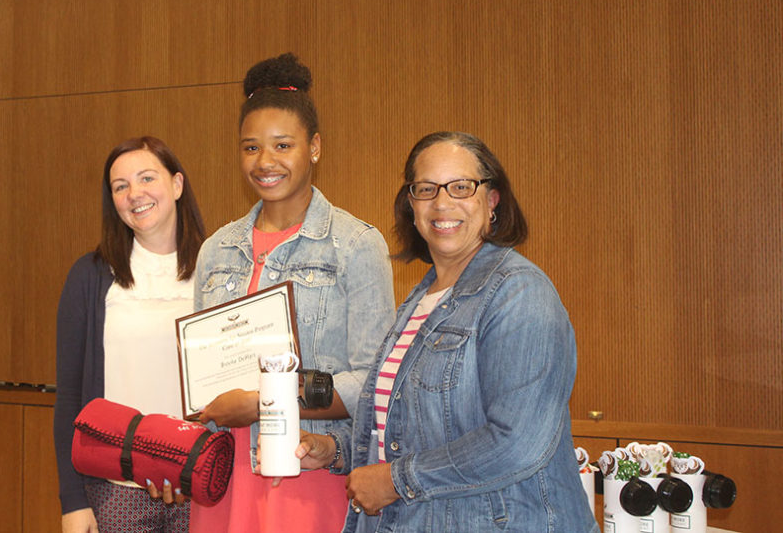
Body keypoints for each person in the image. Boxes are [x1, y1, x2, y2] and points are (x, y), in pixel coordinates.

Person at [294, 131, 599, 532]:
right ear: (411, 205)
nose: (442, 203)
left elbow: (517, 443)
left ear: (492, 201)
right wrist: (334, 450)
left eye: (461, 187)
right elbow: (410, 432)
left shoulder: (520, 293)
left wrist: (395, 480)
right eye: (426, 189)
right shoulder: (420, 300)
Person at [189, 53, 395, 533]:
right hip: (224, 478)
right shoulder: (216, 249)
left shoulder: (356, 245)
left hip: (308, 470)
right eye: (251, 147)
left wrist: (265, 399)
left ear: (315, 147)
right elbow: (199, 382)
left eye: (283, 145)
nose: (265, 162)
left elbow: (374, 383)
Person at [53, 136, 206, 533]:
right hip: (115, 489)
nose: (134, 194)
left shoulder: (218, 269)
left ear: (177, 184)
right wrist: (73, 502)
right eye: (120, 186)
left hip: (199, 484)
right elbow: (69, 398)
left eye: (146, 178)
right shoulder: (89, 276)